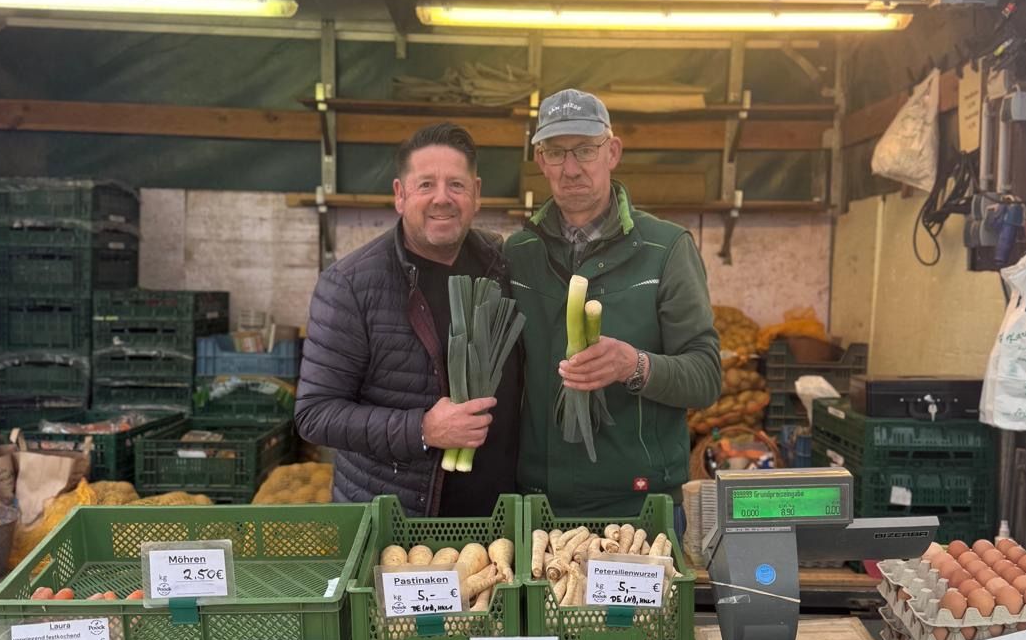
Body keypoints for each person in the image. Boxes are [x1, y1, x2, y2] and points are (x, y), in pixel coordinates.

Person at [505, 89, 721, 514]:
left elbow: (706, 376)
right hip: (536, 503)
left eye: (585, 150)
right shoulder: (517, 254)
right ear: (540, 160)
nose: (570, 168)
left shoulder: (666, 248)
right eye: (555, 152)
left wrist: (634, 366)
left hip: (638, 504)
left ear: (613, 152)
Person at [295, 122, 522, 513]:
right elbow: (315, 414)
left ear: (477, 194)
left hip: (499, 517)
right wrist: (422, 430)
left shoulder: (500, 265)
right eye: (425, 185)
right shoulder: (350, 285)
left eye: (456, 185)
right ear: (400, 195)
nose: (442, 199)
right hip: (402, 518)